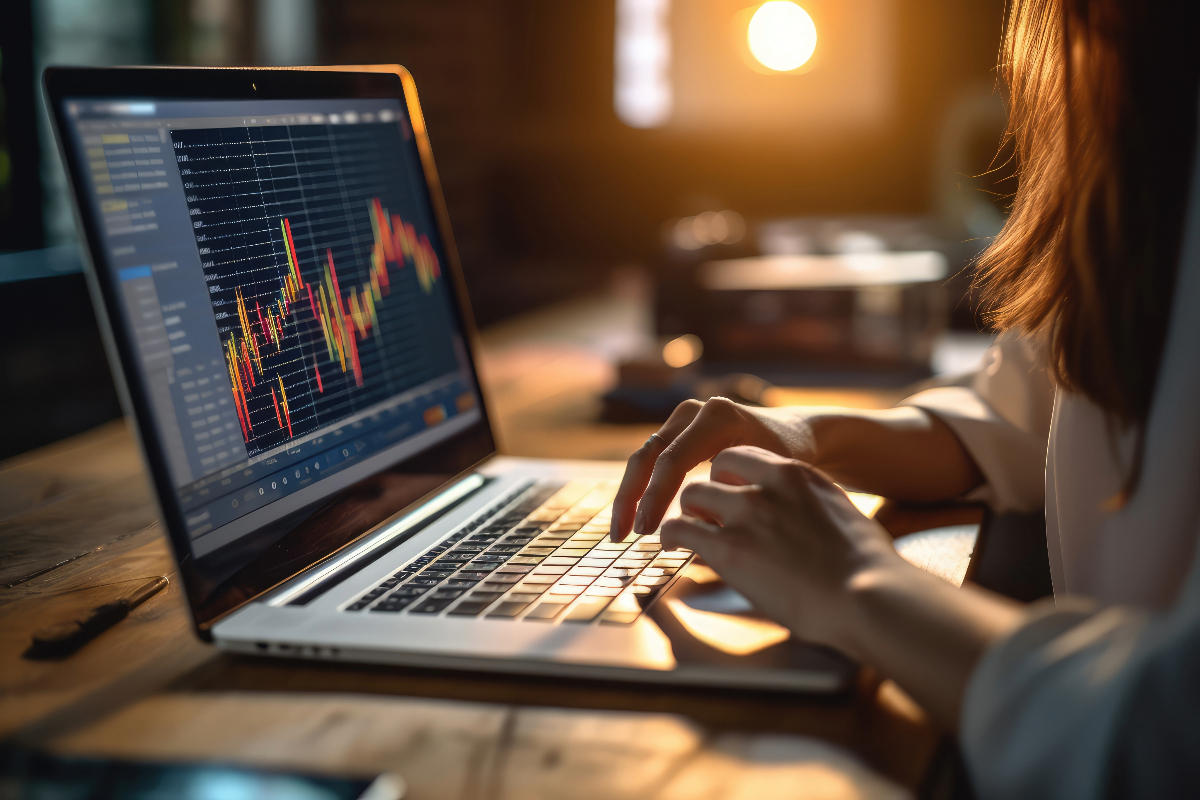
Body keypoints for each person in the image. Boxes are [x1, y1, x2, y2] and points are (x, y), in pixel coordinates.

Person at [609, 0, 1200, 795]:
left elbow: (1160, 735)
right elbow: (1020, 409)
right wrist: (812, 431)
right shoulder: (1148, 144)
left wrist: (858, 580)